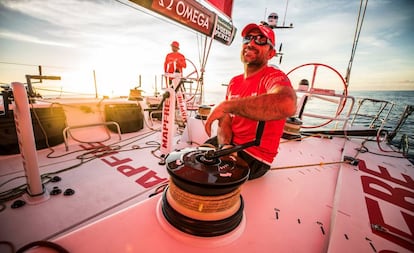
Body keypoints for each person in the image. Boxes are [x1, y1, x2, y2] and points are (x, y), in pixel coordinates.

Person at [204, 23, 297, 180]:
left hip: (255, 156)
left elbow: (287, 104)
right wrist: (226, 144)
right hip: (230, 144)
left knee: (202, 178)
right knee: (190, 159)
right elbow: (226, 118)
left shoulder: (272, 77)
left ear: (271, 53)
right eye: (248, 38)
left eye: (260, 39)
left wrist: (227, 105)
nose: (251, 43)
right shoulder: (234, 81)